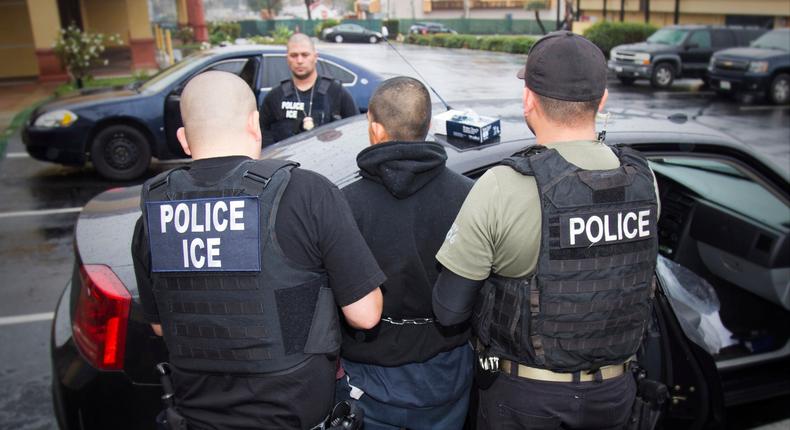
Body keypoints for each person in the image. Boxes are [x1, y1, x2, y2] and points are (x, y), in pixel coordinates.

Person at [432, 31, 661, 429]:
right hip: (615, 394)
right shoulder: (645, 182)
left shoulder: (503, 185)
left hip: (527, 401)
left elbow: (449, 310)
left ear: (528, 100)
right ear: (602, 100)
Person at [131, 71, 385, 430]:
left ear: (184, 140)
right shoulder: (306, 193)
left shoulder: (155, 215)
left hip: (197, 417)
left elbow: (160, 327)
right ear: (255, 124)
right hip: (295, 415)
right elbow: (366, 314)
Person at [336, 77, 475, 429]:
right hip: (447, 375)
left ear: (375, 129)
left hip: (368, 382)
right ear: (427, 126)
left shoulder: (344, 205)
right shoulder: (471, 197)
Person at [261, 33, 358, 146]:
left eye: (305, 55)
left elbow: (354, 130)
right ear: (287, 59)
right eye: (294, 55)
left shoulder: (336, 92)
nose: (300, 60)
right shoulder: (275, 96)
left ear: (315, 57)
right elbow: (263, 134)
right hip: (287, 161)